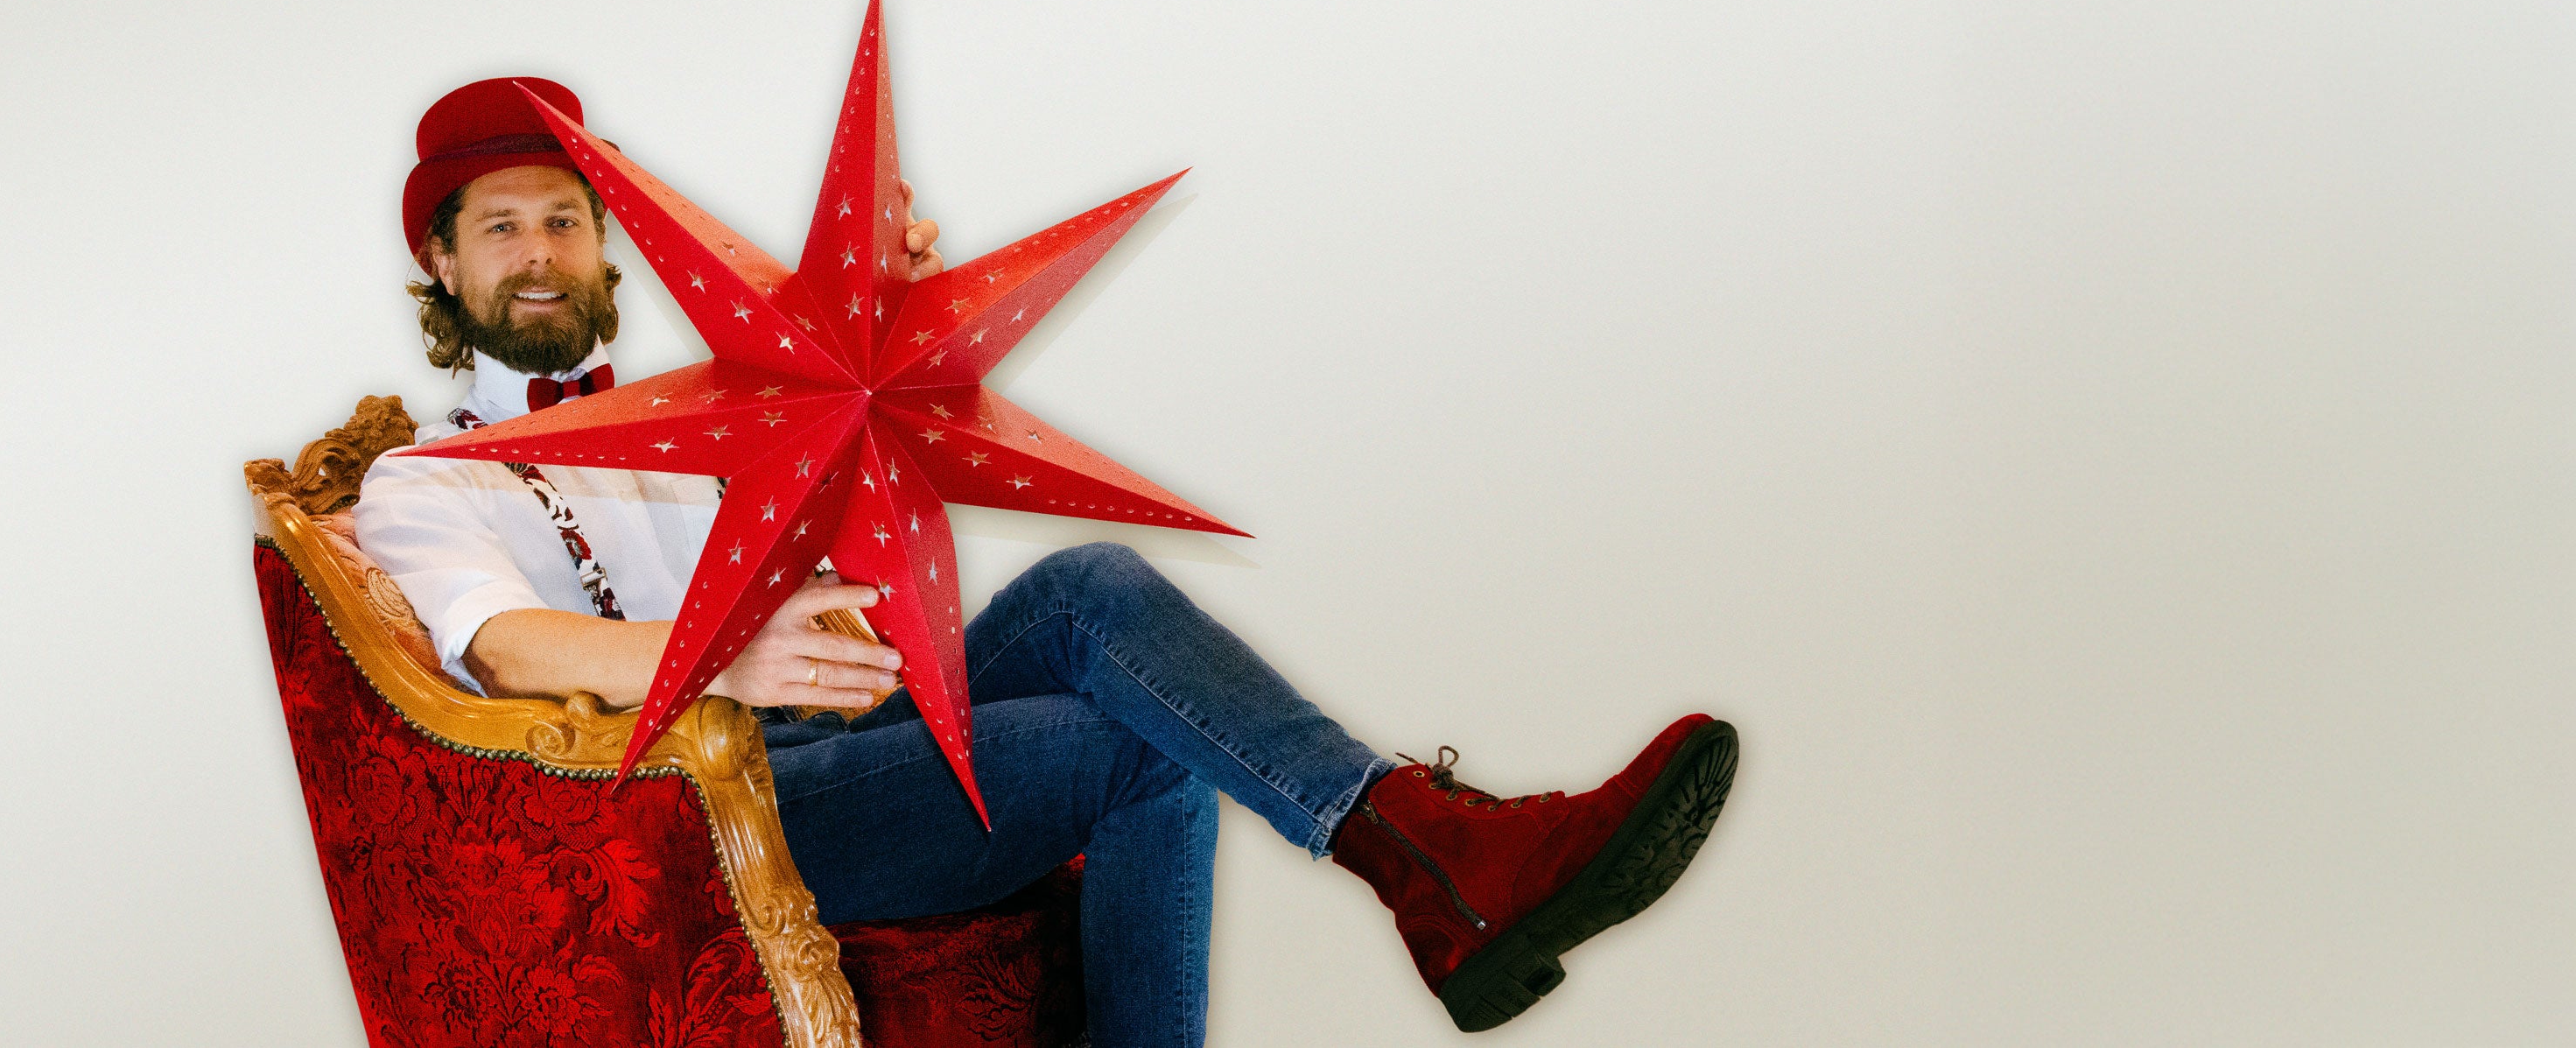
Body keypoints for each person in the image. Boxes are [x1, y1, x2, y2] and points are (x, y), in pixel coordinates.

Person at [356, 77, 1739, 1045]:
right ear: (444, 264)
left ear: (605, 248)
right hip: (698, 818)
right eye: (500, 227)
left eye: (563, 218)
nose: (538, 253)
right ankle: (1438, 878)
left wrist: (882, 329)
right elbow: (509, 649)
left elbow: (835, 530)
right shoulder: (419, 481)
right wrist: (724, 652)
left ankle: (1422, 847)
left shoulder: (679, 427)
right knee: (1131, 746)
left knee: (1093, 591)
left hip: (818, 736)